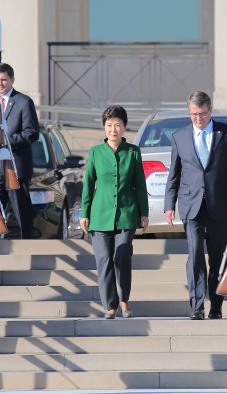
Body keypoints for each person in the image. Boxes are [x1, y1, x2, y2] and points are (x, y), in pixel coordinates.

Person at [164, 91, 227, 320]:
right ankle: (197, 306)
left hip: (220, 204)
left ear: (210, 110)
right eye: (193, 114)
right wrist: (169, 205)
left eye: (202, 113)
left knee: (218, 256)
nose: (198, 118)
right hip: (191, 205)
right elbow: (174, 174)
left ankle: (216, 305)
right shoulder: (179, 136)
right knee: (195, 253)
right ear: (189, 113)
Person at [80, 105, 148, 319]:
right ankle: (110, 305)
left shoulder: (133, 152)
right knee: (103, 259)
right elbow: (88, 184)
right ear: (104, 127)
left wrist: (143, 213)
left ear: (125, 127)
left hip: (127, 214)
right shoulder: (95, 152)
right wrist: (84, 213)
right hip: (100, 215)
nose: (113, 130)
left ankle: (124, 299)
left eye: (118, 125)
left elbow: (140, 185)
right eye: (109, 125)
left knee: (122, 256)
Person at [0, 63, 39, 239]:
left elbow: (32, 133)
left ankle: (27, 244)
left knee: (22, 211)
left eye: (5, 80)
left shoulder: (24, 102)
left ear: (12, 80)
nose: (1, 84)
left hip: (17, 167)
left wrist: (7, 141)